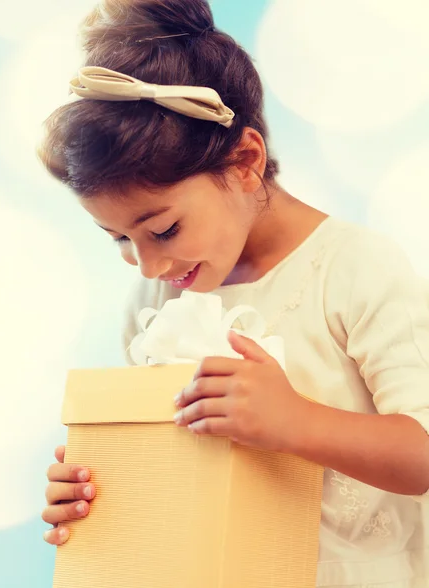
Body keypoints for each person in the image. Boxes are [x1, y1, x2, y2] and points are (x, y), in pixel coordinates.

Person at [38, 1, 429, 586]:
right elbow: (170, 469)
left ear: (245, 161)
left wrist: (293, 419)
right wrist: (97, 486)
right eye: (118, 237)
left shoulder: (353, 268)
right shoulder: (153, 302)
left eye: (164, 228)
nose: (147, 262)